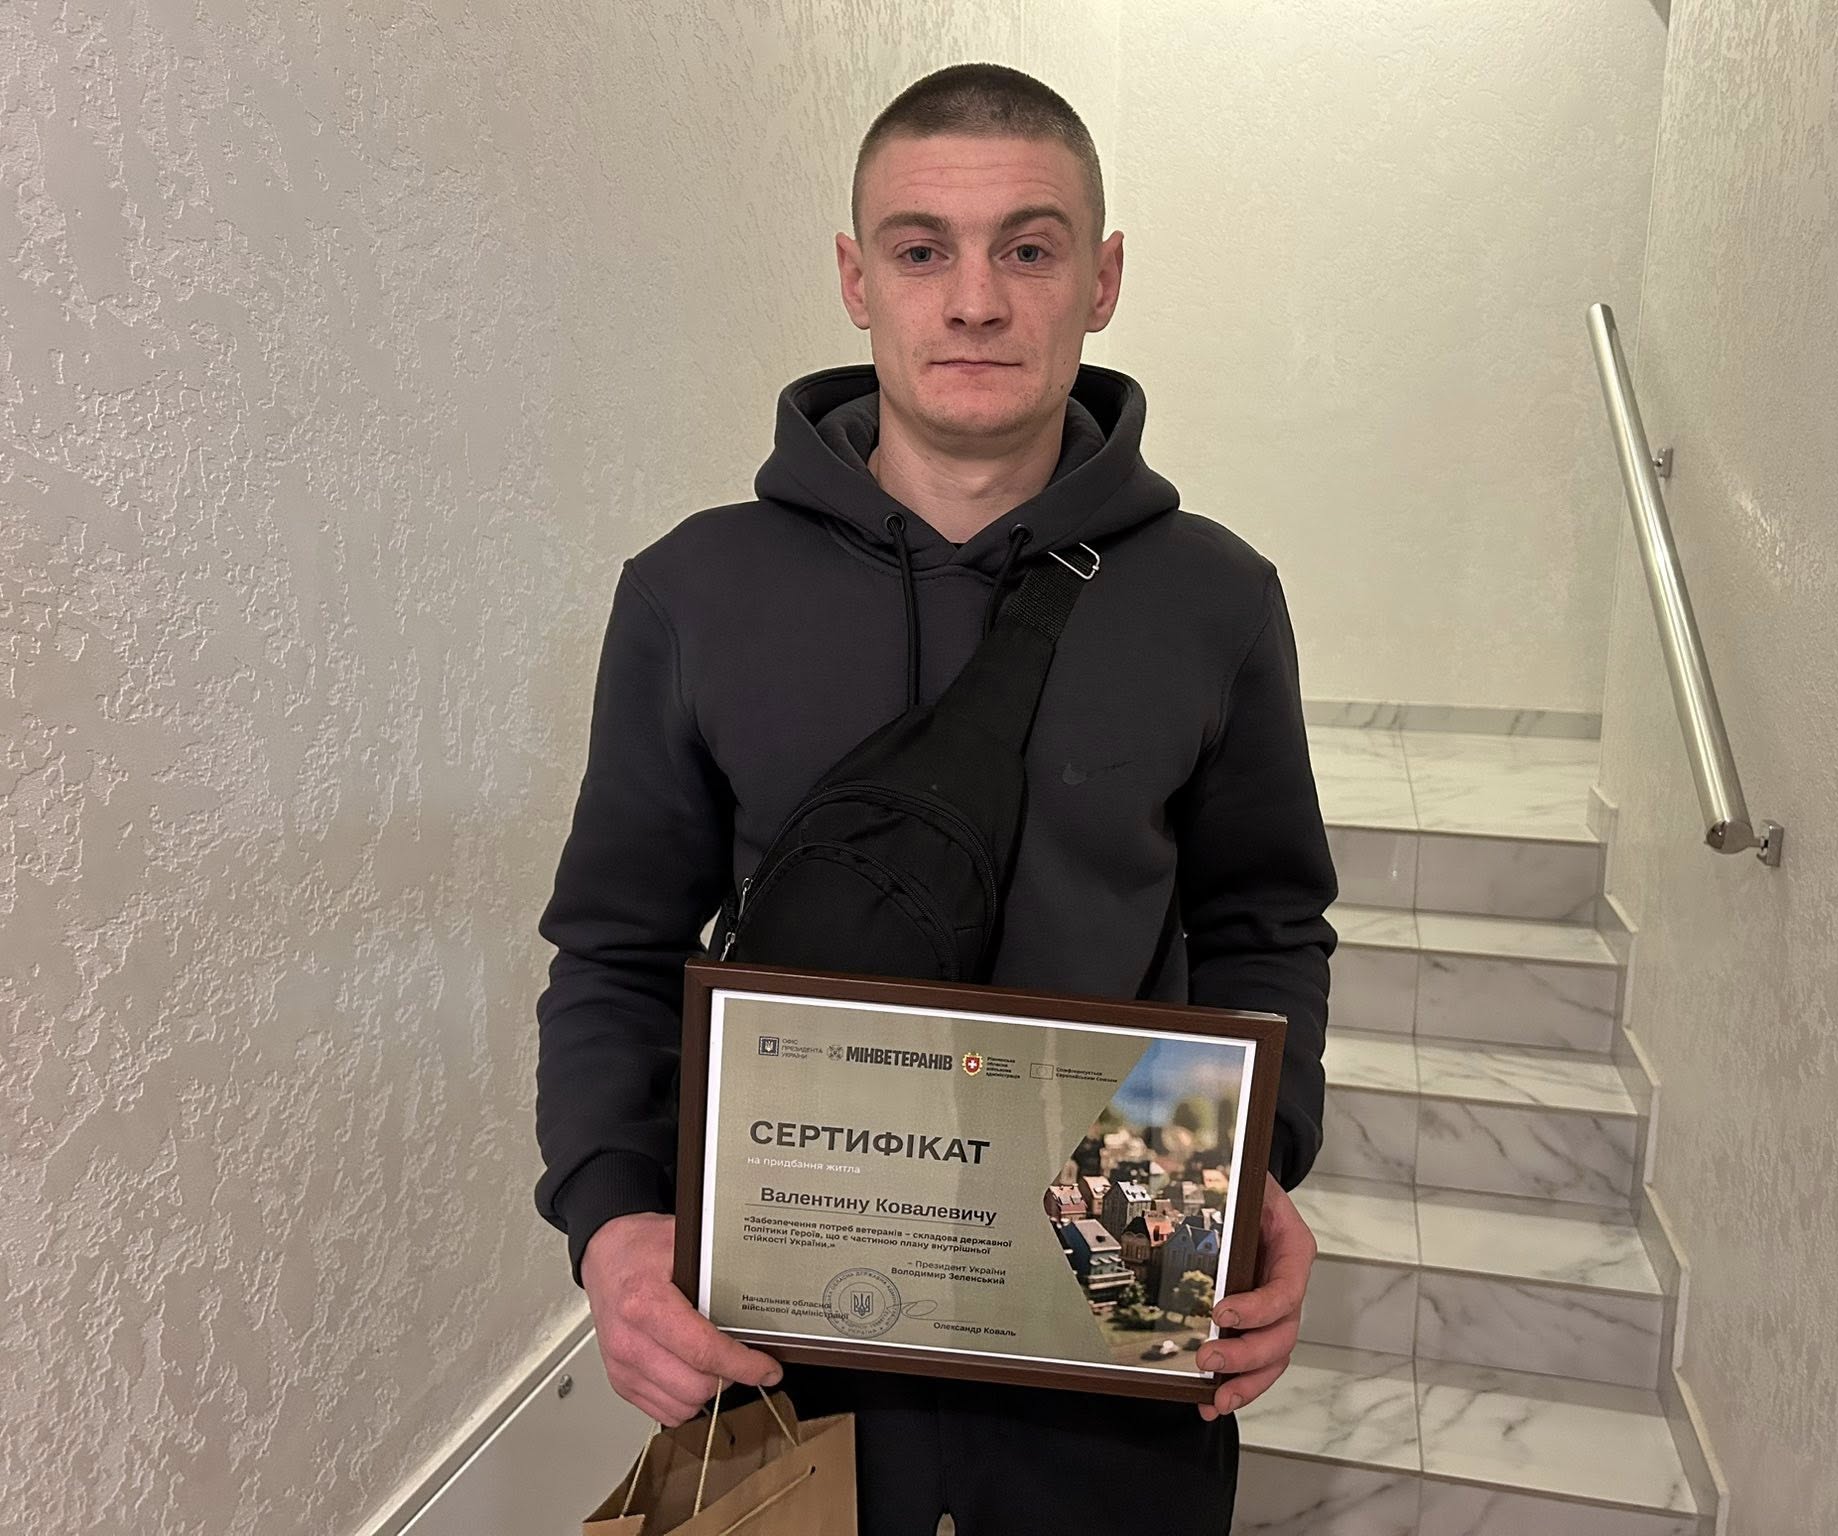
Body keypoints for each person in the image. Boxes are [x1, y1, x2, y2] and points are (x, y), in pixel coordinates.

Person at [532, 61, 1339, 1536]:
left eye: (1027, 249)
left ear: (1100, 281)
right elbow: (616, 949)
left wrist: (1253, 1168)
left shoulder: (1215, 600)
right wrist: (613, 1224)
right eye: (922, 251)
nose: (974, 301)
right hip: (786, 1337)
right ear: (857, 280)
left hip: (1112, 1312)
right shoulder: (696, 592)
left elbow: (1265, 925)